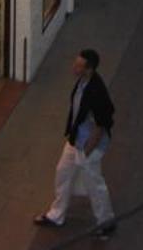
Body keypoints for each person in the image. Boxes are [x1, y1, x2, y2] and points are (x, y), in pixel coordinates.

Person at [35, 48, 117, 238]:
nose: (74, 67)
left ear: (88, 69)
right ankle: (56, 215)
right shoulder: (82, 83)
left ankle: (106, 221)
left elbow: (101, 124)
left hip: (88, 146)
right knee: (63, 173)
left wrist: (87, 151)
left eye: (79, 65)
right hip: (76, 140)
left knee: (94, 183)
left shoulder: (97, 92)